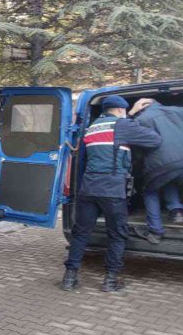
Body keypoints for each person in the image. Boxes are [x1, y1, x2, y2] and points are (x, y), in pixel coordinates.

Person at [61, 95, 161, 293]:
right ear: (120, 110)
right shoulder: (122, 126)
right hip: (112, 191)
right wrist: (133, 116)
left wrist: (129, 116)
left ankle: (69, 278)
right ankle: (110, 280)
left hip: (88, 189)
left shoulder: (93, 127)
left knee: (80, 234)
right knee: (116, 235)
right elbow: (154, 140)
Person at [128, 98, 183, 243]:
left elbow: (137, 149)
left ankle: (155, 231)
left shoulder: (140, 120)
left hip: (161, 163)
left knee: (149, 190)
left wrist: (138, 163)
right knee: (169, 179)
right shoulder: (179, 110)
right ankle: (176, 210)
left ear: (140, 108)